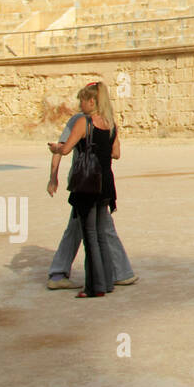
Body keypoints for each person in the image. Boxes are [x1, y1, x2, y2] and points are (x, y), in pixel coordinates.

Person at [46, 108, 137, 290]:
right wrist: (53, 177)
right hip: (87, 183)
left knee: (90, 227)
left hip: (92, 183)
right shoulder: (86, 121)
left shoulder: (96, 121)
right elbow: (62, 148)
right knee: (92, 228)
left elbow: (61, 148)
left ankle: (119, 272)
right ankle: (118, 273)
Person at [52, 82, 122, 298]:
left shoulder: (84, 122)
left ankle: (95, 287)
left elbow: (65, 149)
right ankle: (107, 282)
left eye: (82, 99)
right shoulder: (111, 124)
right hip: (106, 183)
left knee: (90, 235)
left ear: (92, 101)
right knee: (101, 235)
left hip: (88, 184)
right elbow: (116, 153)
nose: (80, 103)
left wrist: (56, 148)